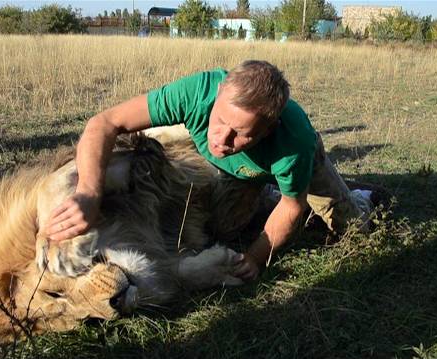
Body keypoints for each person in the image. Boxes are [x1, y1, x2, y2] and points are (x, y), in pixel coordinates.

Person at [45, 60, 370, 282]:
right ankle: (266, 191)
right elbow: (105, 123)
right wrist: (88, 192)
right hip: (240, 172)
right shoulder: (195, 92)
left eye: (241, 134)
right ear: (216, 98)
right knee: (223, 228)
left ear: (268, 131)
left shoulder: (292, 144)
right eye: (220, 122)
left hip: (300, 165)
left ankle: (360, 197)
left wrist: (256, 258)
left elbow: (292, 205)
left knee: (352, 226)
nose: (222, 140)